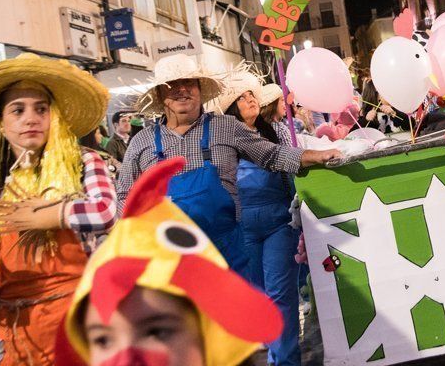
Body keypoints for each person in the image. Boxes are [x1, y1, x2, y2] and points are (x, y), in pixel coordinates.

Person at [117, 55, 340, 277]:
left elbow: (272, 155)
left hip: (226, 252)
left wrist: (316, 156)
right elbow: (126, 195)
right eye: (172, 85)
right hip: (169, 259)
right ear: (159, 94)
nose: (181, 89)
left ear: (200, 90)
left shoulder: (226, 127)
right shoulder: (141, 142)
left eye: (188, 83)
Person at [57, 158, 283, 366]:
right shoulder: (140, 144)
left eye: (156, 332)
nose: (125, 361)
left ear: (212, 333)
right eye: (103, 340)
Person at [0, 54, 118, 366]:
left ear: (55, 116)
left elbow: (105, 211)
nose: (31, 118)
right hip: (17, 332)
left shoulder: (84, 162)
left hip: (78, 320)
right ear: (1, 122)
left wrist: (54, 214)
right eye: (17, 110)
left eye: (41, 109)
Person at [216, 73, 302, 366]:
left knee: (282, 296)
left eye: (251, 94)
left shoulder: (274, 134)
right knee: (259, 298)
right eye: (242, 97)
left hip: (279, 224)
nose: (250, 99)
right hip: (242, 231)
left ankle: (286, 361)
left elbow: (291, 170)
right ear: (230, 109)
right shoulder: (221, 143)